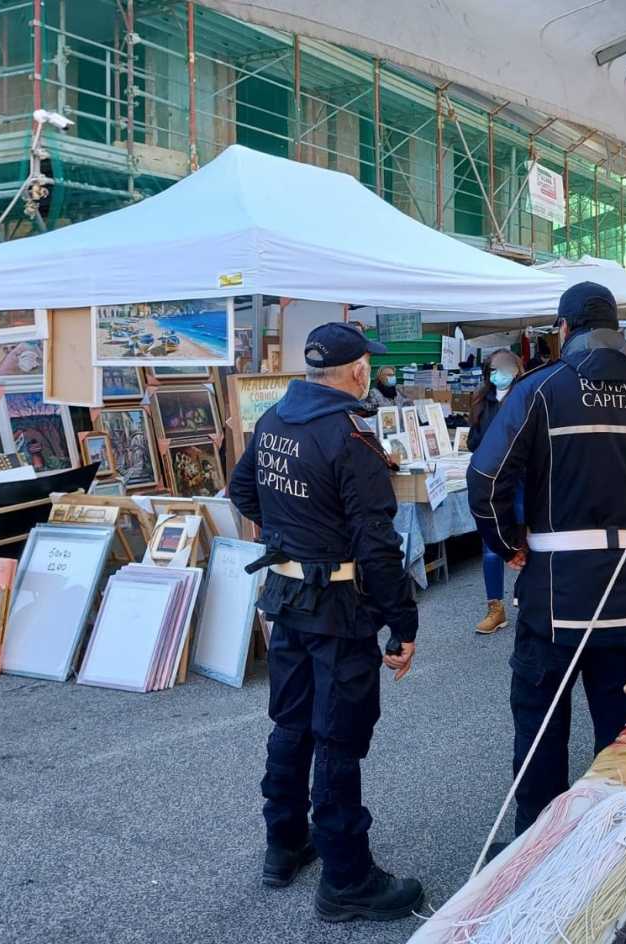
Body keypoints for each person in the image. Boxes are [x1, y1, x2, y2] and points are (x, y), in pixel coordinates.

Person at [466, 281, 626, 838]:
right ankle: (613, 842)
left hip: (556, 600)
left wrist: (506, 544)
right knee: (623, 732)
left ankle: (535, 844)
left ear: (564, 329)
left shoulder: (541, 389)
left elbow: (485, 477)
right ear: (616, 330)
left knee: (542, 728)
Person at [228, 322, 423, 923]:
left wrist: (292, 538)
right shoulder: (349, 435)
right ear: (359, 370)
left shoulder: (274, 421)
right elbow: (377, 545)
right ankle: (347, 878)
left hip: (287, 597)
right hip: (337, 607)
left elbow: (241, 492)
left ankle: (283, 845)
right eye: (369, 362)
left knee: (291, 723)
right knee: (337, 736)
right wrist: (403, 623)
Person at [468, 348, 524, 634]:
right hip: (492, 482)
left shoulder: (526, 395)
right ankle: (495, 607)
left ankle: (528, 597)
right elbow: (472, 441)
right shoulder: (481, 400)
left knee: (527, 538)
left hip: (522, 480)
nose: (499, 373)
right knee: (492, 546)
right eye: (494, 368)